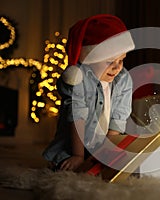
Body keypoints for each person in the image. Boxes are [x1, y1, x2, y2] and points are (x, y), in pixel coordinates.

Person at [42, 14, 135, 171]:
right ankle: (65, 160)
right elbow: (76, 116)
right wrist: (78, 155)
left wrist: (106, 152)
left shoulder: (123, 79)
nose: (117, 67)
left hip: (103, 143)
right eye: (109, 62)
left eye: (121, 60)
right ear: (90, 59)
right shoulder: (78, 78)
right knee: (72, 169)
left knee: (125, 167)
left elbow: (118, 117)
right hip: (75, 143)